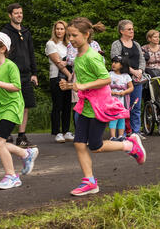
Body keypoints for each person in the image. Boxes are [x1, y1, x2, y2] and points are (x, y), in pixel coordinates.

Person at [62, 17, 146, 196]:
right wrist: (71, 85)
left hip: (99, 106)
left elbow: (106, 79)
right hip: (86, 105)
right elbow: (84, 79)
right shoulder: (79, 55)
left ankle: (130, 146)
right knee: (79, 143)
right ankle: (90, 182)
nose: (71, 39)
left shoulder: (93, 56)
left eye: (74, 35)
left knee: (95, 145)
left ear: (86, 35)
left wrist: (82, 86)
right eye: (69, 35)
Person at [0, 32, 39, 190]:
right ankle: (25, 154)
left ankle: (12, 177)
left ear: (2, 49)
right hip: (2, 108)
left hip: (14, 107)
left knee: (0, 142)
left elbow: (17, 87)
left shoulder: (10, 66)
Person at [1, 3, 38, 147]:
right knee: (10, 105)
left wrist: (34, 73)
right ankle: (6, 134)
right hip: (10, 75)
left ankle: (21, 136)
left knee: (25, 106)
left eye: (21, 13)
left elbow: (31, 53)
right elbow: (3, 53)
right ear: (10, 15)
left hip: (26, 75)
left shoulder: (26, 32)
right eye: (16, 13)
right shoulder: (5, 33)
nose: (19, 15)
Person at [110, 20, 146, 137]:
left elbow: (142, 59)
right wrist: (132, 70)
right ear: (122, 31)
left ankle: (136, 132)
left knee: (136, 106)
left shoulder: (136, 44)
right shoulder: (117, 44)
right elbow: (116, 59)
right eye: (129, 29)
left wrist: (140, 71)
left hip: (136, 79)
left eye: (132, 29)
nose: (132, 31)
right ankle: (123, 133)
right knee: (122, 107)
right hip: (122, 80)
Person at [45, 20, 74, 143]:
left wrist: (70, 73)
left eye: (62, 29)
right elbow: (58, 62)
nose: (59, 31)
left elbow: (72, 60)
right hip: (57, 77)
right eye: (57, 29)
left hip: (70, 77)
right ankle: (57, 132)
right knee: (58, 105)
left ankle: (66, 131)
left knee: (68, 105)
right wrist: (69, 75)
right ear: (54, 30)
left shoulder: (70, 44)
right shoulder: (51, 44)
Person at [108, 55, 133, 140]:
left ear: (122, 65)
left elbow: (131, 87)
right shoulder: (109, 75)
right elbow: (105, 87)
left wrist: (124, 92)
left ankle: (121, 136)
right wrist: (112, 92)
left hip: (123, 100)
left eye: (116, 62)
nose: (113, 64)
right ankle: (112, 136)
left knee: (121, 118)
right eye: (113, 62)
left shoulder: (126, 76)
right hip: (112, 100)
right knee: (114, 117)